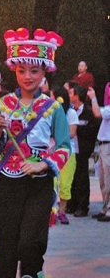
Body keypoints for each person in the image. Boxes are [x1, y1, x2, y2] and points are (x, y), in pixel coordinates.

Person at [0, 28, 70, 278]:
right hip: (8, 179)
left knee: (31, 242)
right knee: (5, 241)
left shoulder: (53, 108)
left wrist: (44, 164)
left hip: (38, 183)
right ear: (14, 71)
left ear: (44, 72)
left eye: (34, 70)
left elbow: (64, 147)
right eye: (22, 70)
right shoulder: (4, 104)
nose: (28, 76)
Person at [67, 82, 99, 217]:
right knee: (71, 177)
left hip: (83, 149)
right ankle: (71, 203)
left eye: (70, 93)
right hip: (71, 149)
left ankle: (82, 205)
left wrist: (77, 129)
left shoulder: (88, 111)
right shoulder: (68, 110)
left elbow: (92, 130)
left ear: (77, 95)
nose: (68, 95)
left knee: (82, 178)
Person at [50, 86, 78, 224]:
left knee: (65, 184)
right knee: (52, 183)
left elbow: (72, 133)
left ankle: (62, 211)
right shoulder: (48, 112)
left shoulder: (71, 113)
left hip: (68, 152)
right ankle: (52, 211)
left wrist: (58, 133)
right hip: (51, 152)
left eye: (52, 96)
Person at [88, 85, 110, 221]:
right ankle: (105, 207)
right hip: (104, 145)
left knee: (108, 179)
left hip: (108, 145)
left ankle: (109, 210)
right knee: (103, 179)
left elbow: (97, 113)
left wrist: (93, 97)